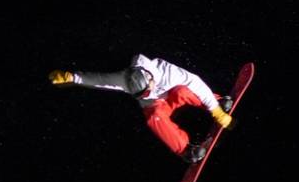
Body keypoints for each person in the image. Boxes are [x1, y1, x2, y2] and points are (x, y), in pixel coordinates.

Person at [48, 54, 234, 164]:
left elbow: (197, 83)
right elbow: (99, 80)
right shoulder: (123, 80)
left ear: (150, 79)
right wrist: (71, 77)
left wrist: (216, 109)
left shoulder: (167, 73)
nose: (145, 95)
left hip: (176, 92)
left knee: (183, 90)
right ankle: (186, 151)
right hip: (160, 106)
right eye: (140, 95)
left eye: (147, 92)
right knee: (153, 117)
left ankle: (219, 101)